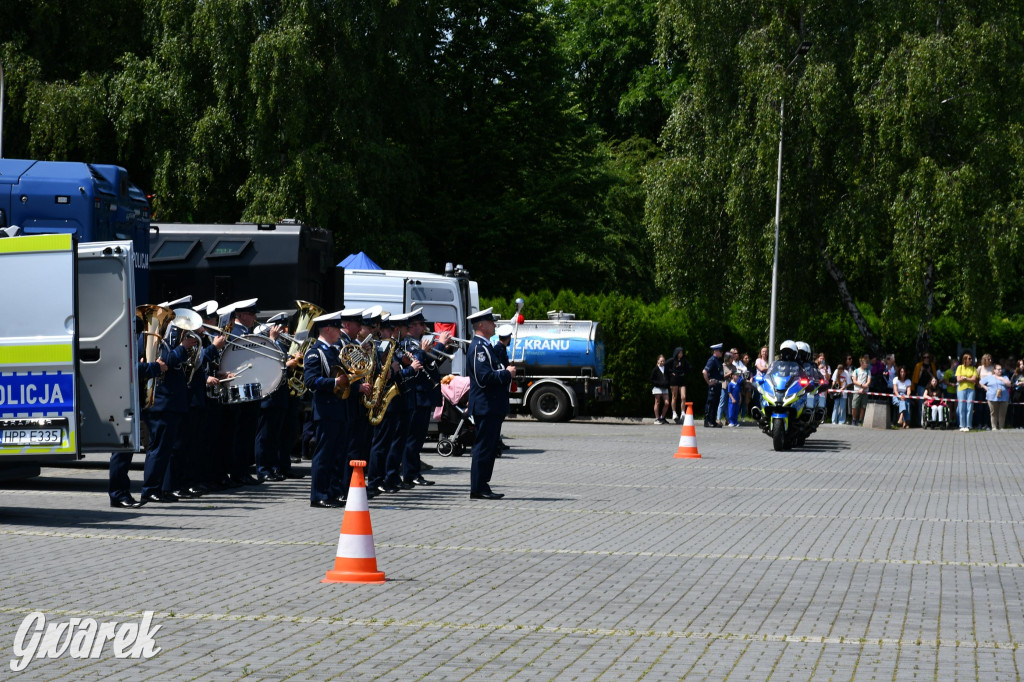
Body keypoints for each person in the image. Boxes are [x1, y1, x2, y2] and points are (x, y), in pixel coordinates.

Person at [466, 308, 515, 500]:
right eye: (491, 322)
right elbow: (483, 377)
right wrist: (506, 374)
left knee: (489, 446)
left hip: (492, 405)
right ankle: (478, 488)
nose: (494, 325)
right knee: (483, 447)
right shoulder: (479, 348)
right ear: (481, 325)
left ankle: (482, 485)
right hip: (486, 406)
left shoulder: (487, 347)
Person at [109, 357, 166, 508]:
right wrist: (152, 367)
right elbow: (124, 368)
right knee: (121, 450)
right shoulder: (118, 340)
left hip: (129, 397)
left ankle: (120, 493)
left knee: (125, 450)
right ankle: (118, 494)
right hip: (120, 397)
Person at [980, 364, 1011, 430]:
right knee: (993, 413)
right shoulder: (990, 377)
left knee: (1002, 413)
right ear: (994, 370)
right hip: (992, 397)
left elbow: (1009, 385)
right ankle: (994, 427)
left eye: (1001, 369)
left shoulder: (1005, 377)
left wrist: (1001, 378)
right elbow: (980, 382)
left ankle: (1001, 427)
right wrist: (985, 387)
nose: (1000, 370)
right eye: (998, 369)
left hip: (1004, 398)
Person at [702, 343, 725, 428]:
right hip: (713, 385)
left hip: (718, 384)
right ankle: (707, 421)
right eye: (720, 351)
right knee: (710, 403)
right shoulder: (712, 360)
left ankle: (712, 420)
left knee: (715, 403)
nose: (722, 353)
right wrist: (708, 382)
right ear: (715, 351)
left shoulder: (717, 360)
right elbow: (704, 372)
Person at [955, 353, 978, 432]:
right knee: (961, 407)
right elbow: (958, 379)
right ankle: (962, 425)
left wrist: (964, 378)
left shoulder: (973, 368)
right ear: (965, 359)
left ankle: (969, 425)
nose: (971, 360)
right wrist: (968, 378)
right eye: (969, 358)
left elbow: (974, 379)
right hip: (961, 389)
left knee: (970, 407)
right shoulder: (960, 367)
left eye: (971, 358)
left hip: (971, 389)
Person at [666, 347, 689, 422]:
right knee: (674, 396)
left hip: (682, 379)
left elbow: (689, 368)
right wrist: (671, 372)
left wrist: (684, 373)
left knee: (683, 396)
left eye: (682, 353)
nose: (681, 354)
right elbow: (665, 366)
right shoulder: (672, 360)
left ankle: (683, 412)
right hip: (674, 379)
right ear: (676, 353)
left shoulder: (684, 361)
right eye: (679, 353)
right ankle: (674, 413)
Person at [850, 355, 871, 426]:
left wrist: (863, 388)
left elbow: (868, 381)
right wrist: (861, 385)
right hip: (857, 391)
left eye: (867, 363)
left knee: (863, 406)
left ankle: (860, 420)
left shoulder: (868, 371)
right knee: (854, 406)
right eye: (866, 363)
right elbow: (854, 381)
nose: (867, 364)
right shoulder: (856, 371)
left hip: (865, 391)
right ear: (861, 363)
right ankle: (853, 419)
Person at [650, 354, 670, 424]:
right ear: (658, 361)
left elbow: (668, 377)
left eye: (663, 361)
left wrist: (667, 383)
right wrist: (659, 383)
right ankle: (657, 418)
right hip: (657, 388)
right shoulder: (655, 369)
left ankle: (662, 417)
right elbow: (652, 379)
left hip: (665, 388)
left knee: (667, 403)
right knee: (657, 402)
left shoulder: (666, 368)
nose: (662, 362)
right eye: (661, 361)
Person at [830, 358, 850, 425]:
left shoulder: (846, 373)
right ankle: (834, 421)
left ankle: (841, 421)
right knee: (836, 406)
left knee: (842, 407)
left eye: (841, 371)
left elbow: (849, 383)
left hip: (843, 392)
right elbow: (833, 381)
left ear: (843, 370)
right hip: (837, 392)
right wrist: (832, 388)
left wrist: (843, 388)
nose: (840, 372)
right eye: (839, 371)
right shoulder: (836, 371)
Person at [1011, 359, 1024, 429]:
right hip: (1016, 394)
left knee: (1022, 410)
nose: (1022, 366)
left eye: (1023, 364)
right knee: (1016, 410)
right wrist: (1017, 384)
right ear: (1018, 366)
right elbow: (1011, 384)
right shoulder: (1015, 374)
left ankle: (1021, 424)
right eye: (1020, 364)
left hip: (1023, 393)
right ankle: (1015, 425)